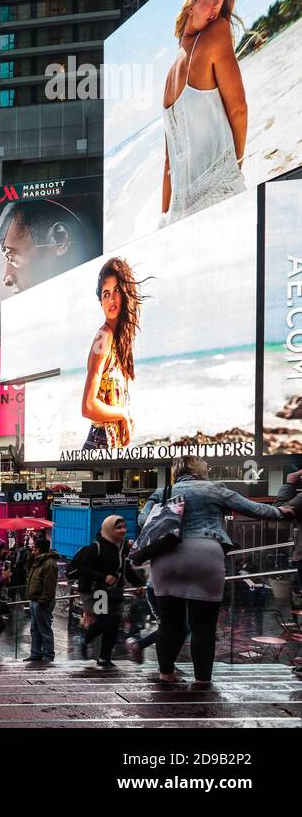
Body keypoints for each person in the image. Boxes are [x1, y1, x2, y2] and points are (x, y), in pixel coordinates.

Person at [141, 455, 288, 686]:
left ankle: (166, 676)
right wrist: (282, 512)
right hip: (205, 554)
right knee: (203, 625)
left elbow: (143, 520)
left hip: (166, 557)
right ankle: (201, 682)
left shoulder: (163, 492)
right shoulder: (214, 489)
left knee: (170, 623)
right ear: (198, 468)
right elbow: (254, 509)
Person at [160, 0, 247, 225]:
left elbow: (168, 165)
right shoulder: (217, 34)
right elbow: (238, 111)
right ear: (191, 0)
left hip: (180, 214)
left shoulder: (168, 76)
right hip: (219, 195)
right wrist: (235, 168)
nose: (217, 4)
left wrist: (163, 220)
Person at [81, 257, 144, 452]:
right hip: (99, 445)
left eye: (116, 290)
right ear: (100, 302)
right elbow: (88, 406)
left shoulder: (119, 340)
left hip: (109, 447)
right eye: (106, 294)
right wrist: (123, 414)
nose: (111, 299)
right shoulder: (103, 337)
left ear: (126, 293)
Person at [72, 515, 145, 668]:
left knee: (113, 625)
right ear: (109, 529)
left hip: (115, 591)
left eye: (124, 527)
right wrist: (103, 577)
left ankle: (105, 657)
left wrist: (139, 584)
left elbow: (126, 569)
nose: (123, 530)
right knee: (105, 620)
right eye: (118, 528)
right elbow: (84, 569)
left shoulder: (123, 546)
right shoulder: (97, 547)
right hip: (98, 590)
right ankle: (84, 640)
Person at [25, 534, 59, 665]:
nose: (32, 551)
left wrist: (43, 601)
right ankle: (35, 653)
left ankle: (48, 655)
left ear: (39, 549)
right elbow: (27, 567)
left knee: (44, 629)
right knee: (35, 629)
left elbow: (49, 585)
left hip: (41, 602)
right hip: (34, 600)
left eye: (34, 548)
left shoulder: (49, 564)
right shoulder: (38, 560)